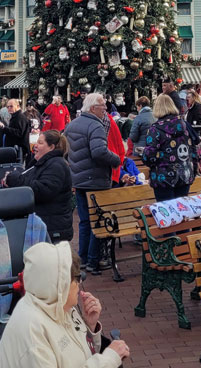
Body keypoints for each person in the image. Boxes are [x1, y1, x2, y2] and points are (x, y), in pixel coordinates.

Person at [0, 241, 129, 368]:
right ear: (59, 285)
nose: (79, 283)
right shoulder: (32, 332)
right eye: (76, 278)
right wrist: (110, 358)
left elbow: (85, 355)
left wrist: (90, 327)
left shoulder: (57, 305)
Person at [65, 92, 121, 276]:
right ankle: (93, 261)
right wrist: (116, 159)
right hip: (96, 181)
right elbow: (99, 152)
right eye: (102, 106)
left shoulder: (72, 124)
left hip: (79, 181)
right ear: (92, 108)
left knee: (84, 222)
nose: (105, 109)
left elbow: (65, 150)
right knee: (98, 221)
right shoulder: (96, 125)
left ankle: (82, 259)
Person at [4, 130, 74, 242]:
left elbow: (43, 190)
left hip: (52, 230)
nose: (35, 145)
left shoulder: (56, 165)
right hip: (44, 226)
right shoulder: (44, 163)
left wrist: (15, 179)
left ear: (51, 147)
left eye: (40, 143)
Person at [141, 94, 196, 202]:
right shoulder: (185, 125)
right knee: (181, 210)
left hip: (163, 178)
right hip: (185, 175)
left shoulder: (155, 129)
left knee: (167, 213)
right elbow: (193, 149)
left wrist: (146, 158)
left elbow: (149, 156)